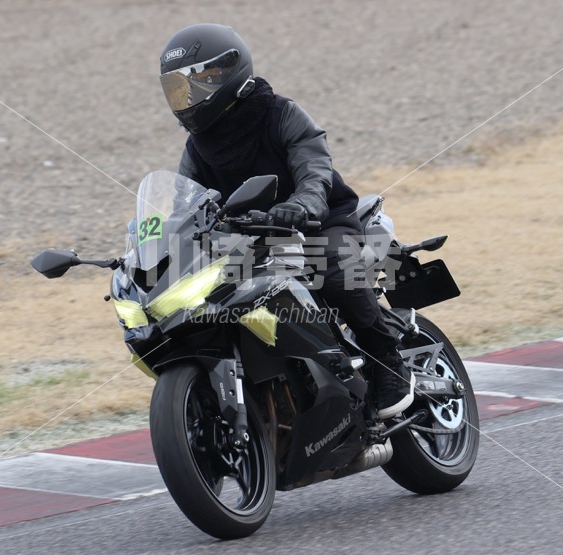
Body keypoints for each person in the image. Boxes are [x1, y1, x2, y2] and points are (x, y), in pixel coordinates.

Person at [158, 23, 414, 419]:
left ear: (227, 72)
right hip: (248, 240)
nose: (188, 97)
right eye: (178, 89)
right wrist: (163, 247)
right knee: (208, 300)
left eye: (196, 83)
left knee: (333, 268)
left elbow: (314, 168)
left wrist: (302, 204)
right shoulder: (197, 148)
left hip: (321, 222)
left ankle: (387, 359)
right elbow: (182, 208)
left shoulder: (280, 113)